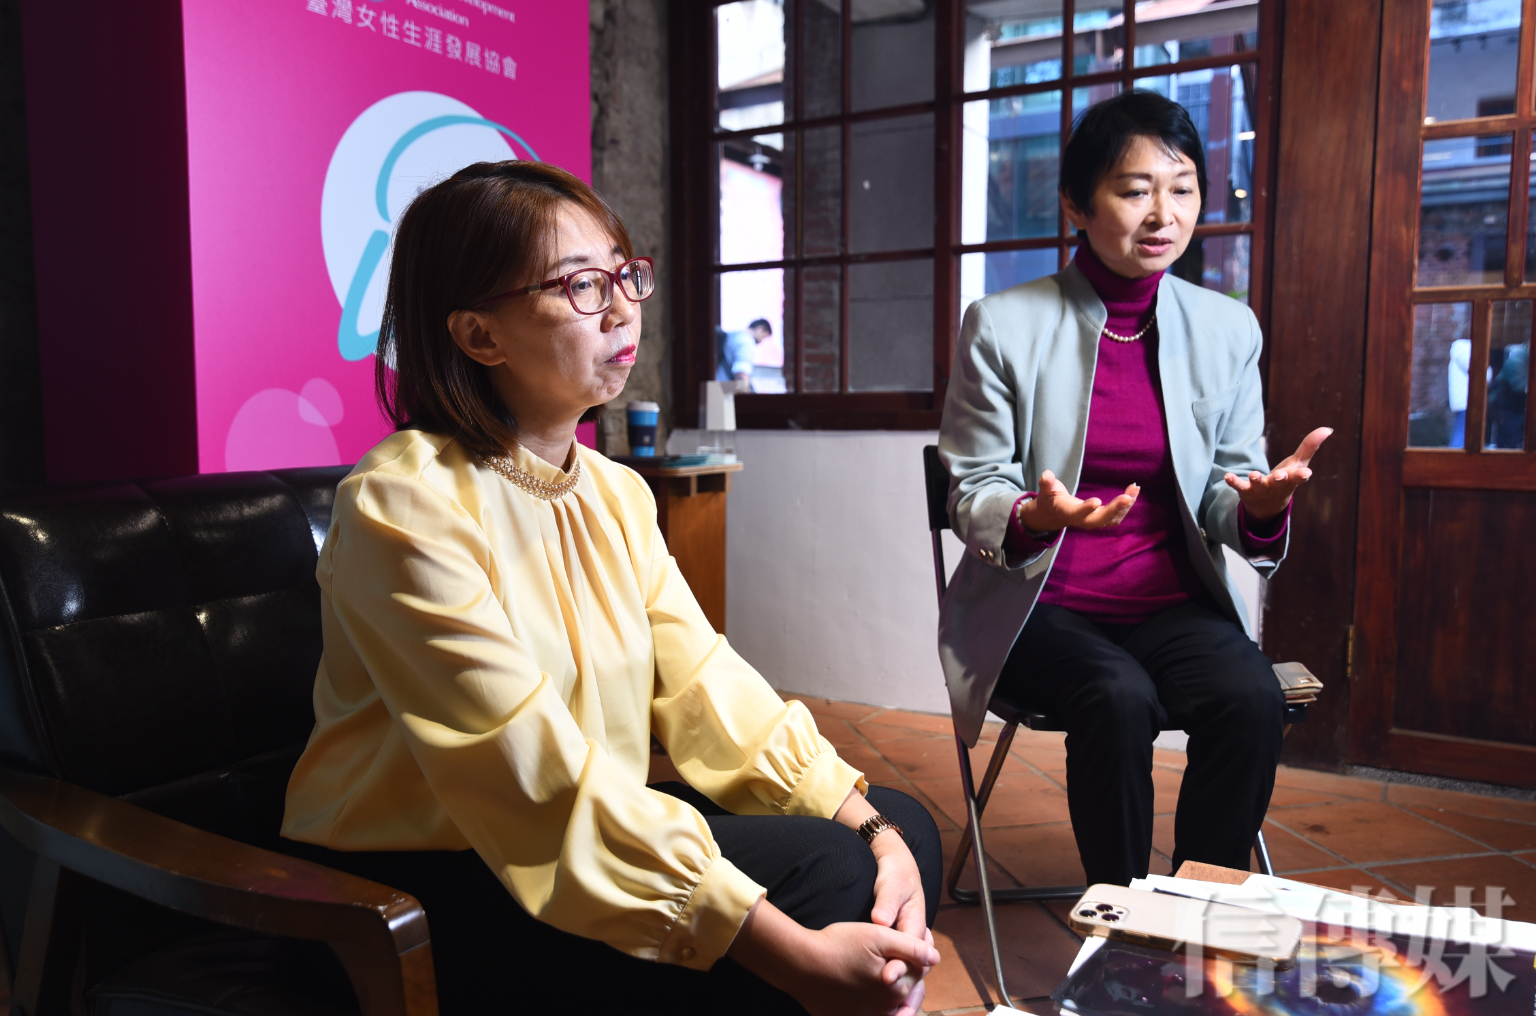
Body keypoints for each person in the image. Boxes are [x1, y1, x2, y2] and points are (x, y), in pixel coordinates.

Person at [280, 161, 940, 1016]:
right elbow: (529, 776)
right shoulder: (404, 503)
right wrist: (793, 955)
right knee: (831, 882)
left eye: (625, 275)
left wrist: (876, 828)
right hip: (420, 883)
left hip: (570, 831)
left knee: (901, 833)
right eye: (582, 286)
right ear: (480, 335)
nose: (624, 308)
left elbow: (707, 687)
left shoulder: (614, 491)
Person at [936, 91, 1332, 888]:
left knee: (1250, 696)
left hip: (1169, 607)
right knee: (1117, 696)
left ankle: (1199, 903)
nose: (1163, 214)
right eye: (1134, 190)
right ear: (1077, 205)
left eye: (1182, 189)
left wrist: (1257, 509)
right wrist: (1033, 514)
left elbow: (1223, 486)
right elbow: (970, 489)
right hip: (1038, 607)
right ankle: (1122, 919)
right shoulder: (1003, 324)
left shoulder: (1227, 329)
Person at [717, 318, 773, 382]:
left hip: (715, 385)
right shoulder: (747, 342)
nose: (761, 341)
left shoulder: (734, 335)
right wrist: (744, 387)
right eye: (763, 337)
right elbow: (741, 374)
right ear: (761, 330)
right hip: (724, 387)